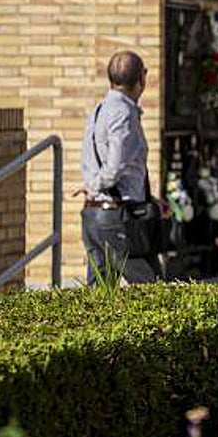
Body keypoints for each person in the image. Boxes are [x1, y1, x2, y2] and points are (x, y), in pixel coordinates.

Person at [75, 51, 164, 284]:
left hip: (95, 215)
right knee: (154, 291)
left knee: (101, 297)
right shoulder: (123, 113)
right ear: (141, 79)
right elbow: (115, 167)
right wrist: (95, 185)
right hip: (117, 217)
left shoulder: (100, 110)